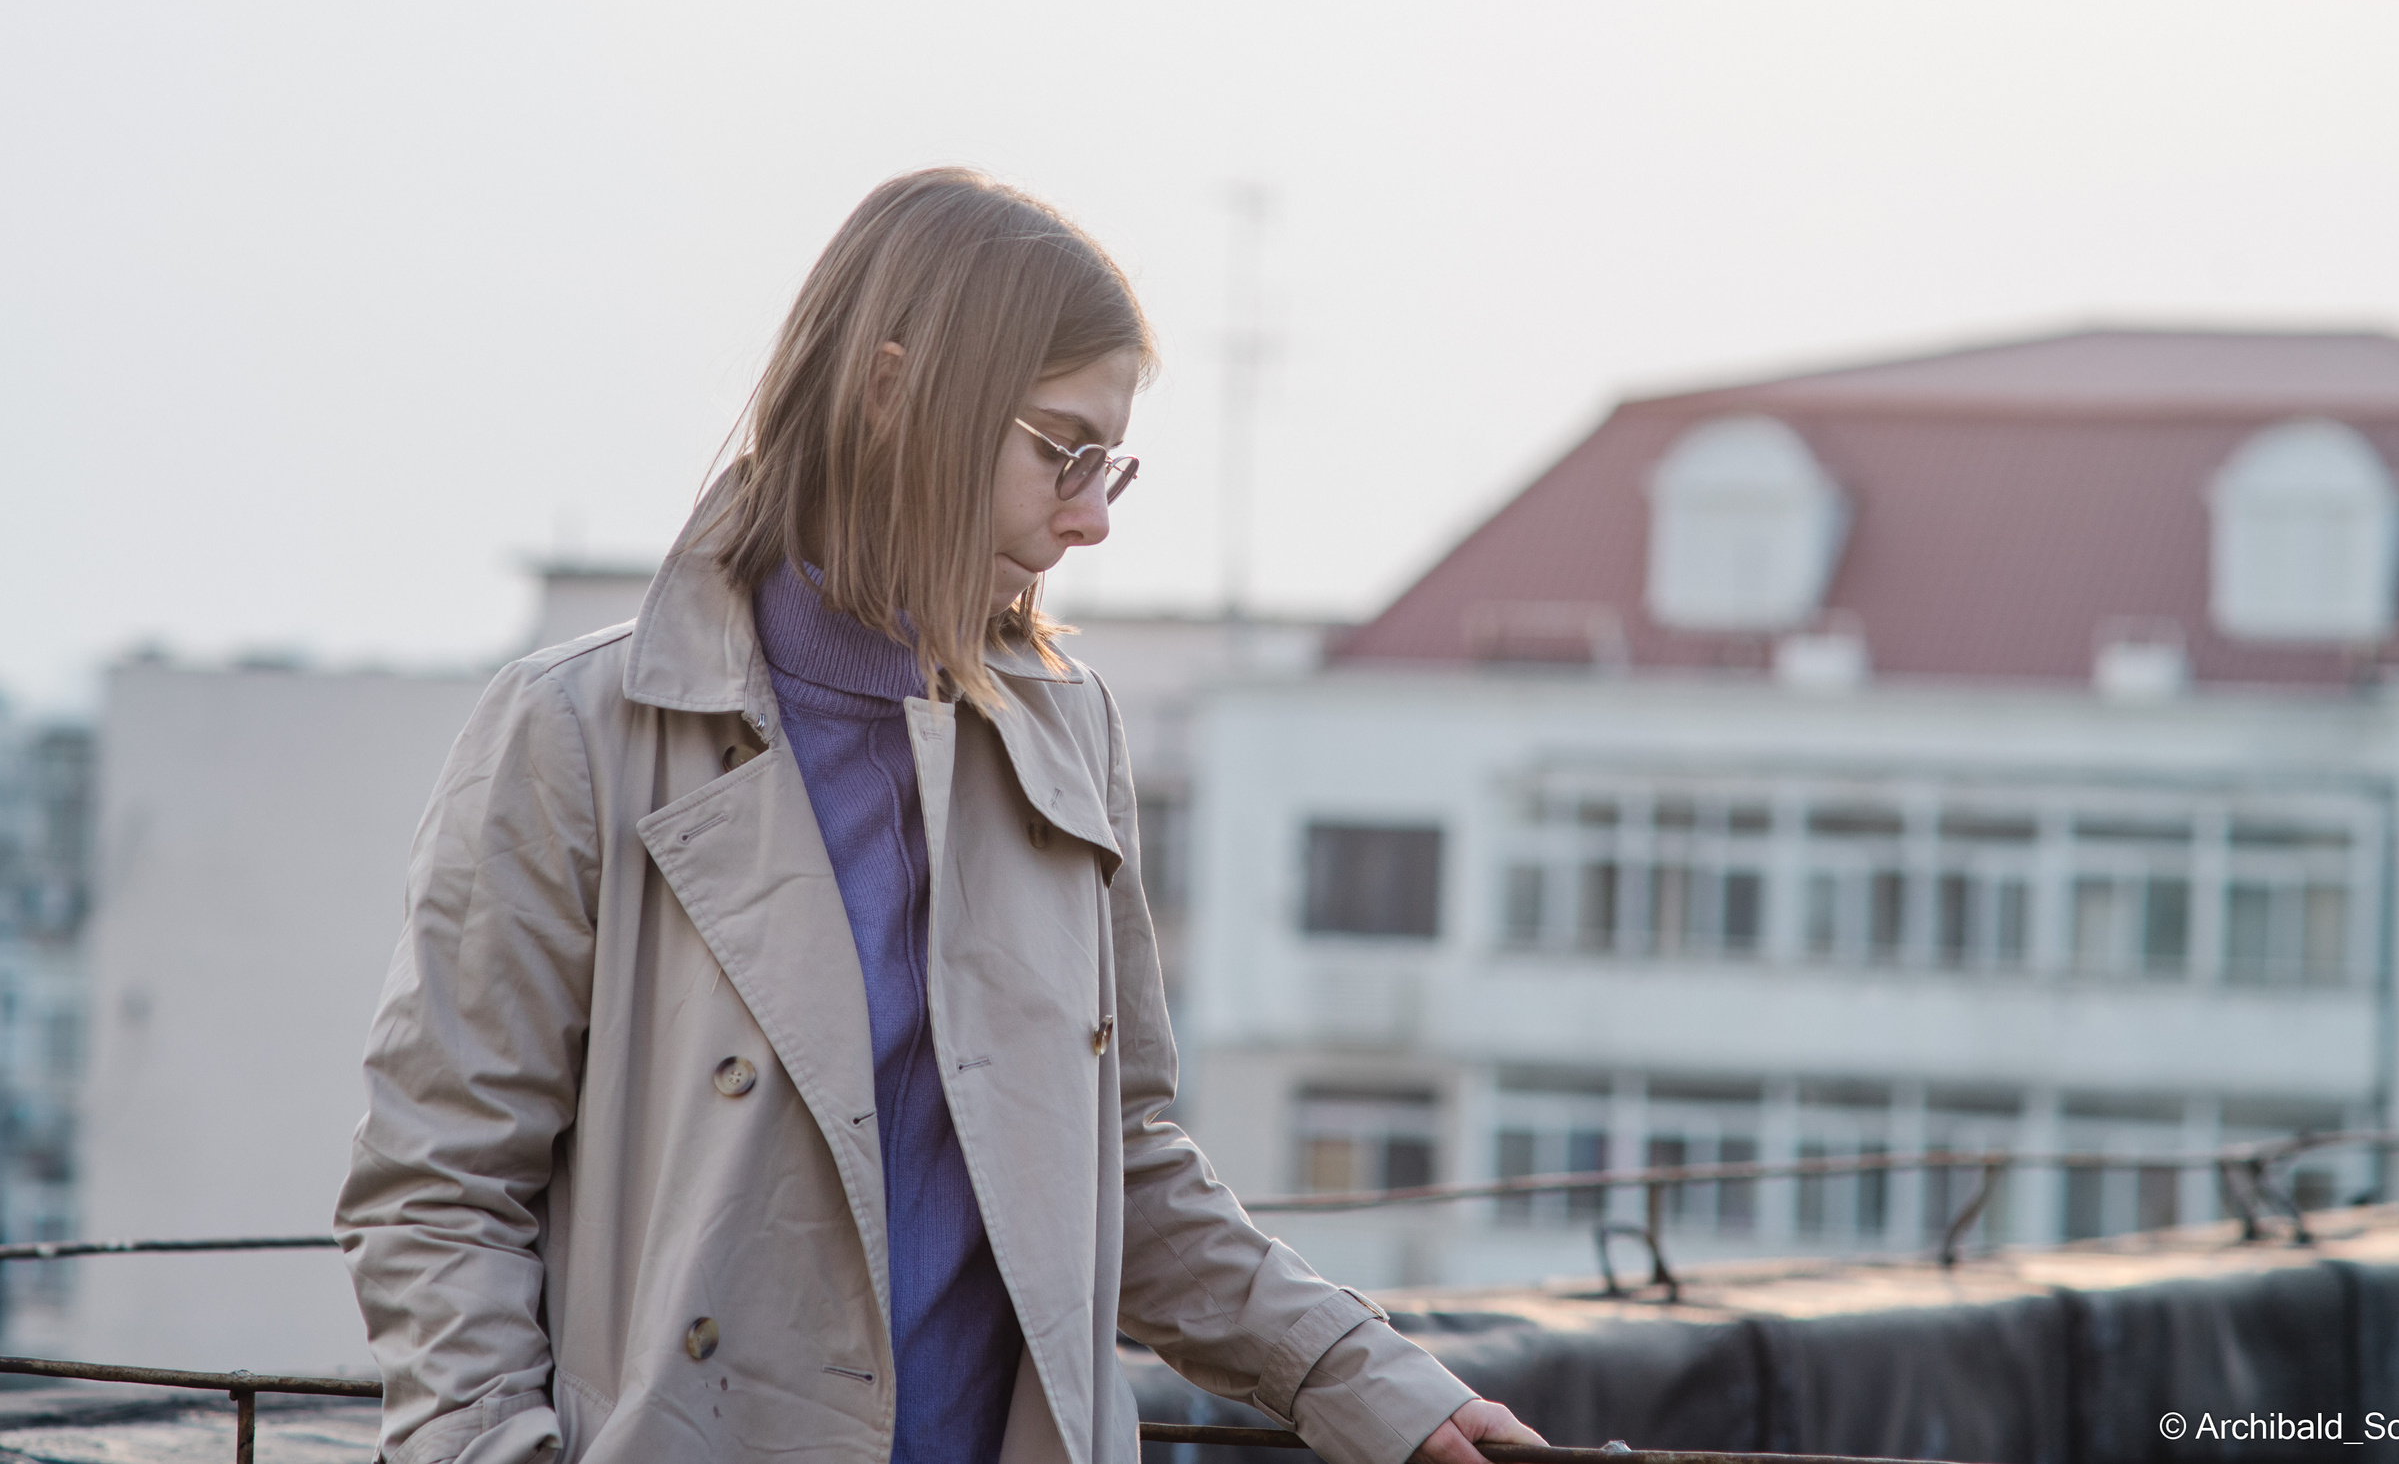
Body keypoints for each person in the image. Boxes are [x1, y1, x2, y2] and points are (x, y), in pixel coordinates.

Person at [335, 168, 1546, 1464]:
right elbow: (438, 1189)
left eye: (1111, 469)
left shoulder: (1066, 734)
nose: (1087, 518)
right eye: (1063, 451)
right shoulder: (578, 731)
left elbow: (1117, 1169)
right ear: (893, 392)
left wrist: (1369, 1383)